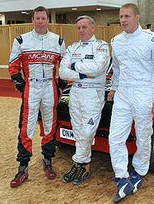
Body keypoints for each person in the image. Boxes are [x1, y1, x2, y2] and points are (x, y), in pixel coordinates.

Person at [107, 3, 154, 203]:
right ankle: (121, 175)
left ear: (137, 17)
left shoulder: (152, 39)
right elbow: (116, 68)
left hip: (143, 93)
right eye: (120, 16)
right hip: (123, 95)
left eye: (126, 16)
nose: (123, 20)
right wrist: (113, 88)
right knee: (115, 137)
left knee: (143, 135)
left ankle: (139, 171)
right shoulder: (116, 41)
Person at [9, 6, 66, 188]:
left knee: (50, 125)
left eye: (43, 18)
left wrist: (60, 85)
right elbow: (13, 65)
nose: (40, 21)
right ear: (32, 20)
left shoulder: (58, 41)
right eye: (37, 18)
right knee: (26, 127)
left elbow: (64, 66)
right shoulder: (21, 40)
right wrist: (20, 84)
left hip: (49, 87)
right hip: (31, 87)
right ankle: (23, 166)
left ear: (47, 20)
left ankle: (48, 161)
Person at [59, 15, 110, 185]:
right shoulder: (73, 47)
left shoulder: (101, 46)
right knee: (79, 131)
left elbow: (97, 68)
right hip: (75, 93)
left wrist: (74, 66)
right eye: (79, 27)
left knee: (88, 132)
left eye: (84, 27)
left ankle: (77, 161)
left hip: (92, 95)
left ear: (93, 28)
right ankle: (84, 164)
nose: (81, 30)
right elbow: (62, 73)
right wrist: (83, 73)